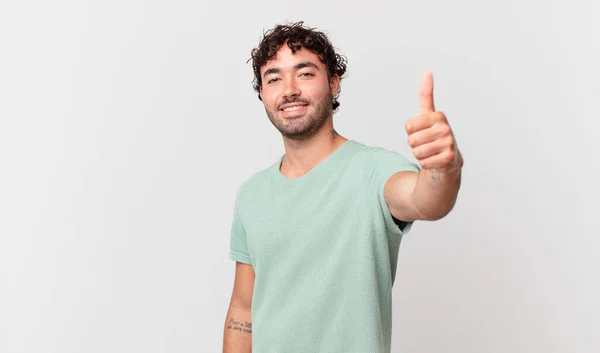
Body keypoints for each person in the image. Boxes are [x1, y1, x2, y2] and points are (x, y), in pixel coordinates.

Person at [222, 21, 463, 353]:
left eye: (305, 73)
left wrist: (444, 167)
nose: (289, 89)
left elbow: (427, 200)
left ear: (333, 82)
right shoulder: (251, 195)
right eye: (274, 78)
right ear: (262, 93)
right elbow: (242, 309)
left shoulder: (373, 170)